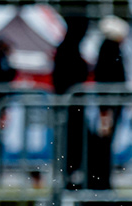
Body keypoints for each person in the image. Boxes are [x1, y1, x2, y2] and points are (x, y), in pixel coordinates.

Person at [86, 16, 130, 191]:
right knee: (103, 145)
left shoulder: (108, 49)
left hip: (109, 105)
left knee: (104, 145)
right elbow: (109, 77)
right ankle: (100, 182)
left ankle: (100, 181)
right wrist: (105, 110)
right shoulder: (110, 50)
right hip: (109, 106)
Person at [52, 16, 91, 190]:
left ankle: (73, 175)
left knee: (75, 142)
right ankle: (69, 177)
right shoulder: (68, 49)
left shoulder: (69, 47)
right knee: (70, 143)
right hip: (70, 107)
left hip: (74, 106)